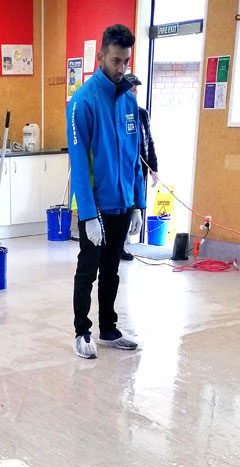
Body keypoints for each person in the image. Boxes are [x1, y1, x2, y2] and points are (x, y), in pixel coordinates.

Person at [66, 23, 145, 360]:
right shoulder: (83, 102)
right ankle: (82, 331)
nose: (121, 68)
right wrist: (87, 215)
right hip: (96, 206)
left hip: (121, 204)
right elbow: (79, 163)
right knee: (89, 268)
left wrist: (139, 204)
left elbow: (134, 158)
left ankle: (108, 328)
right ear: (101, 56)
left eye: (125, 61)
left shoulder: (129, 100)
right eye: (115, 60)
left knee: (112, 269)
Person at [120, 72, 159, 261]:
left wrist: (154, 168)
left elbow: (149, 142)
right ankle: (121, 244)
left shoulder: (142, 114)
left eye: (136, 90)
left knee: (136, 205)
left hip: (139, 169)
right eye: (131, 89)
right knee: (125, 206)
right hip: (123, 170)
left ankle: (127, 241)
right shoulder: (117, 112)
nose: (134, 93)